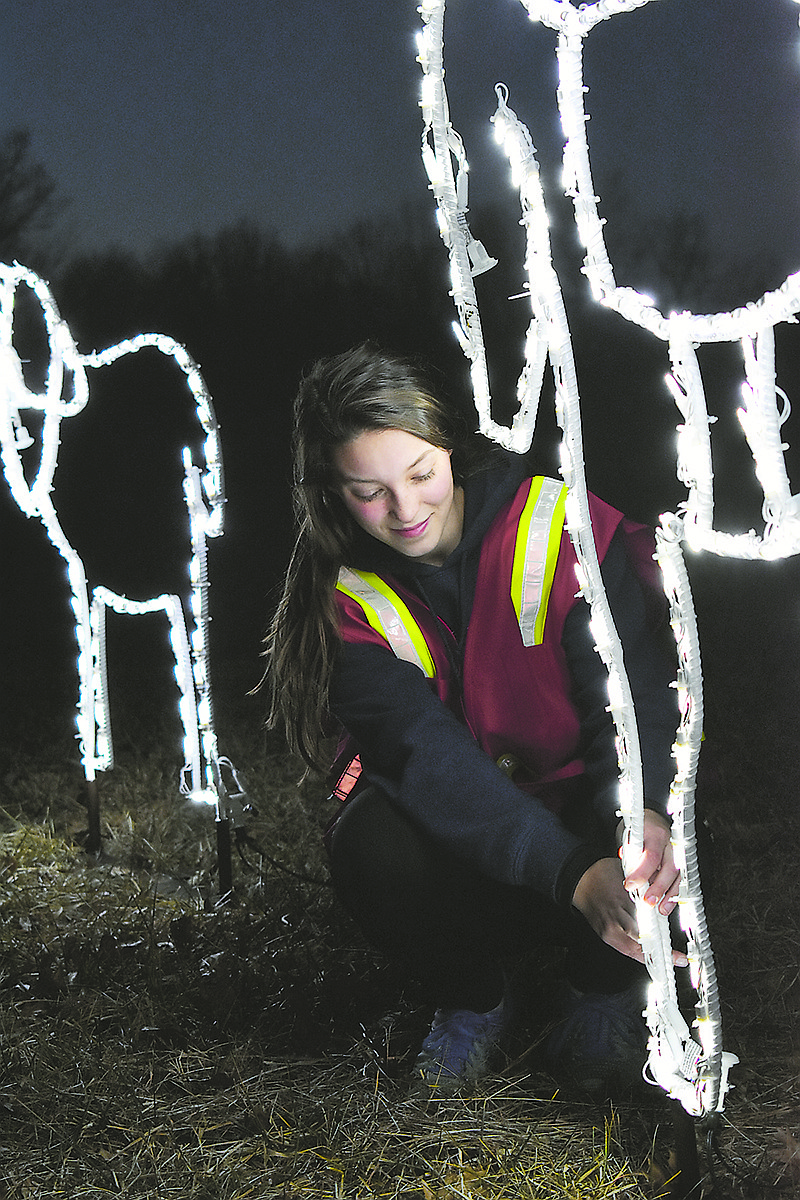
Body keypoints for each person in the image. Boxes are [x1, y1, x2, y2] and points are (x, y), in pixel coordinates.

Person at [265, 342, 684, 1099]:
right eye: (369, 492)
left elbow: (630, 695)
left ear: (452, 447)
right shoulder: (348, 601)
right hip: (477, 858)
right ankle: (474, 999)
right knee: (369, 839)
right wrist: (569, 875)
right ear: (332, 493)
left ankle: (603, 992)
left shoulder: (561, 523)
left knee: (664, 825)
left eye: (421, 473)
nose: (405, 510)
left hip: (588, 827)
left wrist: (643, 810)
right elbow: (424, 755)